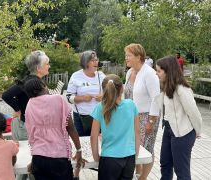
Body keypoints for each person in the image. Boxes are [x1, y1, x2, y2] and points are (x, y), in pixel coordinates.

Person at [2, 50, 50, 180]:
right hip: (26, 128)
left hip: (27, 126)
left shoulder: (33, 81)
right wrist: (18, 109)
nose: (49, 66)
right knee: (27, 167)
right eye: (47, 63)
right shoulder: (30, 82)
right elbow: (6, 95)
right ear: (39, 68)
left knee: (25, 168)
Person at [24, 78, 83, 180]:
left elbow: (32, 134)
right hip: (59, 157)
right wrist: (79, 150)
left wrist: (34, 159)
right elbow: (71, 128)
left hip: (38, 158)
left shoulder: (30, 104)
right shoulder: (58, 99)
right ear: (42, 86)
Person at [155, 56, 202, 180]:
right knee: (165, 165)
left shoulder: (182, 89)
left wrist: (197, 131)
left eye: (159, 71)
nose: (157, 73)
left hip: (183, 133)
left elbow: (194, 113)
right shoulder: (165, 87)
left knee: (181, 171)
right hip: (169, 129)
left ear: (168, 70)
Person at [90, 74, 140, 180]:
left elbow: (93, 136)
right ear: (122, 89)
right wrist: (135, 154)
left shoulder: (100, 107)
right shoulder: (131, 105)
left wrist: (96, 158)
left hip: (109, 159)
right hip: (129, 158)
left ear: (104, 90)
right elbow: (137, 132)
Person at [66, 50, 105, 179]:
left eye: (97, 59)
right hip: (80, 117)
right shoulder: (76, 76)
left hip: (99, 117)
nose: (96, 62)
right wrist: (82, 98)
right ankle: (76, 174)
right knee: (80, 146)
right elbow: (68, 97)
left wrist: (103, 96)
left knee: (100, 143)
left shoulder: (101, 75)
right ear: (86, 62)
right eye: (93, 60)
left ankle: (102, 169)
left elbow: (110, 93)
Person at [124, 43, 160, 180]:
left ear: (138, 57)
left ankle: (142, 178)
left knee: (146, 149)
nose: (126, 58)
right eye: (126, 55)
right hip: (132, 117)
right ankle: (137, 173)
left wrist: (151, 122)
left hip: (147, 116)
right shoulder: (129, 72)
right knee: (134, 148)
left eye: (128, 55)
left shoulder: (149, 73)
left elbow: (156, 99)